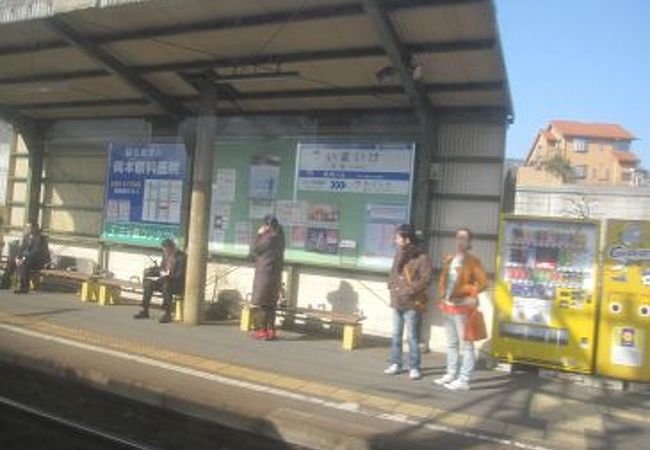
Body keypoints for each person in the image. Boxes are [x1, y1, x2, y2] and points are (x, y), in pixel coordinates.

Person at [434, 228, 487, 391]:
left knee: (466, 345)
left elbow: (483, 283)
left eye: (464, 238)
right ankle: (451, 373)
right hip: (448, 306)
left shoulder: (473, 261)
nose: (460, 241)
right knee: (451, 343)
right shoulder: (450, 258)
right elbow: (444, 280)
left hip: (463, 308)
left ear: (470, 242)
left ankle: (464, 379)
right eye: (458, 237)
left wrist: (470, 294)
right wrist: (442, 294)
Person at [385, 224, 432, 380]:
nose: (396, 240)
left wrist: (409, 291)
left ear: (407, 239)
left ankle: (414, 366)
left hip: (412, 303)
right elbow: (393, 272)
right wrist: (391, 286)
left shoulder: (421, 257)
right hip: (397, 301)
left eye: (398, 237)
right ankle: (396, 363)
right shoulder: (398, 254)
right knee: (396, 334)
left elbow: (426, 280)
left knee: (412, 337)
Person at [134, 238, 186, 323]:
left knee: (166, 285)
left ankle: (167, 313)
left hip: (177, 283)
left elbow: (180, 275)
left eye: (166, 250)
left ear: (172, 248)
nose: (165, 252)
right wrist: (154, 271)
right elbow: (162, 268)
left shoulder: (182, 257)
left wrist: (167, 276)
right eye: (164, 250)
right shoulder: (165, 255)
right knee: (148, 283)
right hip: (165, 279)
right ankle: (145, 310)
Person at [250, 215, 285, 341]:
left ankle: (263, 331)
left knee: (263, 305)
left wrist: (259, 234)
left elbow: (254, 249)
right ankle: (271, 330)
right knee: (271, 305)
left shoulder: (268, 238)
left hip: (265, 274)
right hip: (275, 275)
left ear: (267, 226)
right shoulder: (280, 237)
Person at [1, 221, 50, 294]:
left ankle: (24, 287)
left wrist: (22, 259)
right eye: (26, 227)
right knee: (11, 261)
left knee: (24, 264)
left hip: (38, 261)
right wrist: (17, 258)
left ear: (35, 228)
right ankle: (5, 283)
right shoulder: (26, 236)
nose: (27, 229)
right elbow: (21, 249)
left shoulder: (41, 239)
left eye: (29, 227)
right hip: (27, 259)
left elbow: (35, 252)